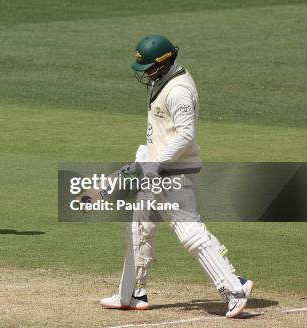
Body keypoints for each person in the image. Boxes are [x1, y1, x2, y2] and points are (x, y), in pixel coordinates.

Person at [99, 35, 253, 318]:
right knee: (139, 228)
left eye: (149, 68)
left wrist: (155, 162)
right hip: (157, 168)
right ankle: (133, 294)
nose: (146, 73)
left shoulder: (179, 90)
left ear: (165, 61)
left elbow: (185, 135)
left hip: (175, 171)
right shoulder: (162, 82)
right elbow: (160, 134)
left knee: (189, 232)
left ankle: (235, 290)